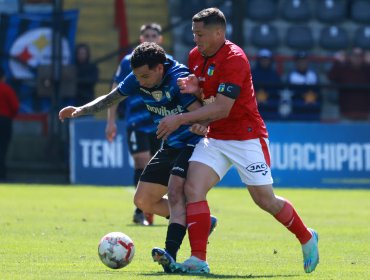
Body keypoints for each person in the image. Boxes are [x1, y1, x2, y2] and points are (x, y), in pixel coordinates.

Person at [155, 8, 319, 274]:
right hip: (216, 138)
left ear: (219, 33)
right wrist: (197, 87)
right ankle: (198, 259)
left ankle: (306, 237)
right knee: (193, 188)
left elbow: (222, 108)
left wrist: (181, 120)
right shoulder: (196, 55)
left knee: (264, 200)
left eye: (201, 34)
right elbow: (208, 91)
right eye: (194, 33)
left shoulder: (235, 58)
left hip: (246, 136)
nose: (195, 39)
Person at [59, 42, 217, 272]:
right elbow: (111, 98)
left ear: (160, 68)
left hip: (193, 144)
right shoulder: (138, 77)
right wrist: (81, 110)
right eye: (137, 77)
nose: (140, 82)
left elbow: (203, 114)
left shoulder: (178, 80)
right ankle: (200, 222)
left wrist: (195, 124)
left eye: (144, 76)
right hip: (171, 145)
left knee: (175, 191)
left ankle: (170, 256)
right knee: (143, 201)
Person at [106, 23, 166, 226]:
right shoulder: (127, 62)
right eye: (146, 35)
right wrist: (111, 121)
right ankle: (141, 210)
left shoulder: (165, 63)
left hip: (160, 122)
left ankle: (151, 205)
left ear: (160, 40)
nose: (150, 37)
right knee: (141, 161)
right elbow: (114, 92)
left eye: (154, 35)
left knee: (158, 166)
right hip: (136, 122)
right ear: (140, 39)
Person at [327, 47, 370, 120]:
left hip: (365, 114)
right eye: (355, 56)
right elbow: (331, 77)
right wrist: (337, 62)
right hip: (346, 114)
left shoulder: (367, 70)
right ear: (350, 57)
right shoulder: (343, 69)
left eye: (360, 56)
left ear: (363, 58)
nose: (357, 59)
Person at [285, 51, 321, 121]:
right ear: (296, 63)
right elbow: (291, 93)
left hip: (312, 107)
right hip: (297, 108)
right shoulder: (292, 76)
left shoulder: (313, 74)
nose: (302, 63)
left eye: (304, 61)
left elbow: (318, 91)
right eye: (300, 61)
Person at [0, 68, 20, 181]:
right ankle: (1, 174)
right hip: (4, 121)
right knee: (2, 148)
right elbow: (15, 106)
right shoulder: (7, 89)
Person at [251, 49, 282, 120]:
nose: (264, 61)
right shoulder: (252, 73)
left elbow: (278, 91)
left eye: (266, 59)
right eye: (262, 59)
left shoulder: (275, 75)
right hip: (255, 108)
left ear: (270, 61)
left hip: (271, 107)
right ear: (259, 60)